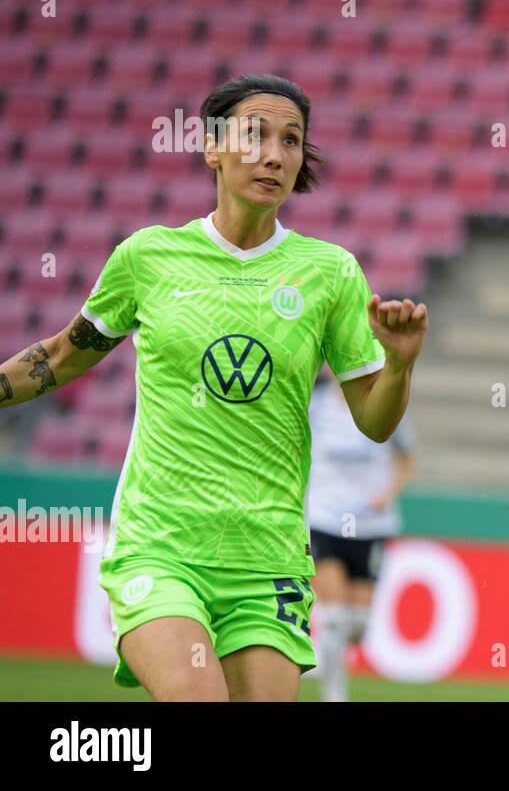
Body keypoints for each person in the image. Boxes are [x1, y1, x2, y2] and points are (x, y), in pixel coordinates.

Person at [0, 74, 429, 701]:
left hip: (269, 562)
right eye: (254, 134)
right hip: (161, 547)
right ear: (212, 148)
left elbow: (376, 423)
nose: (274, 154)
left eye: (291, 141)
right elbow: (63, 356)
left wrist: (399, 366)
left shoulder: (330, 273)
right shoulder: (148, 258)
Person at [306, 374, 414, 702]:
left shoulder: (386, 404)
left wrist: (389, 492)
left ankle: (328, 647)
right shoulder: (315, 406)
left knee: (358, 625)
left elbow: (406, 459)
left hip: (371, 524)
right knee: (336, 618)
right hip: (324, 518)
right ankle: (334, 695)